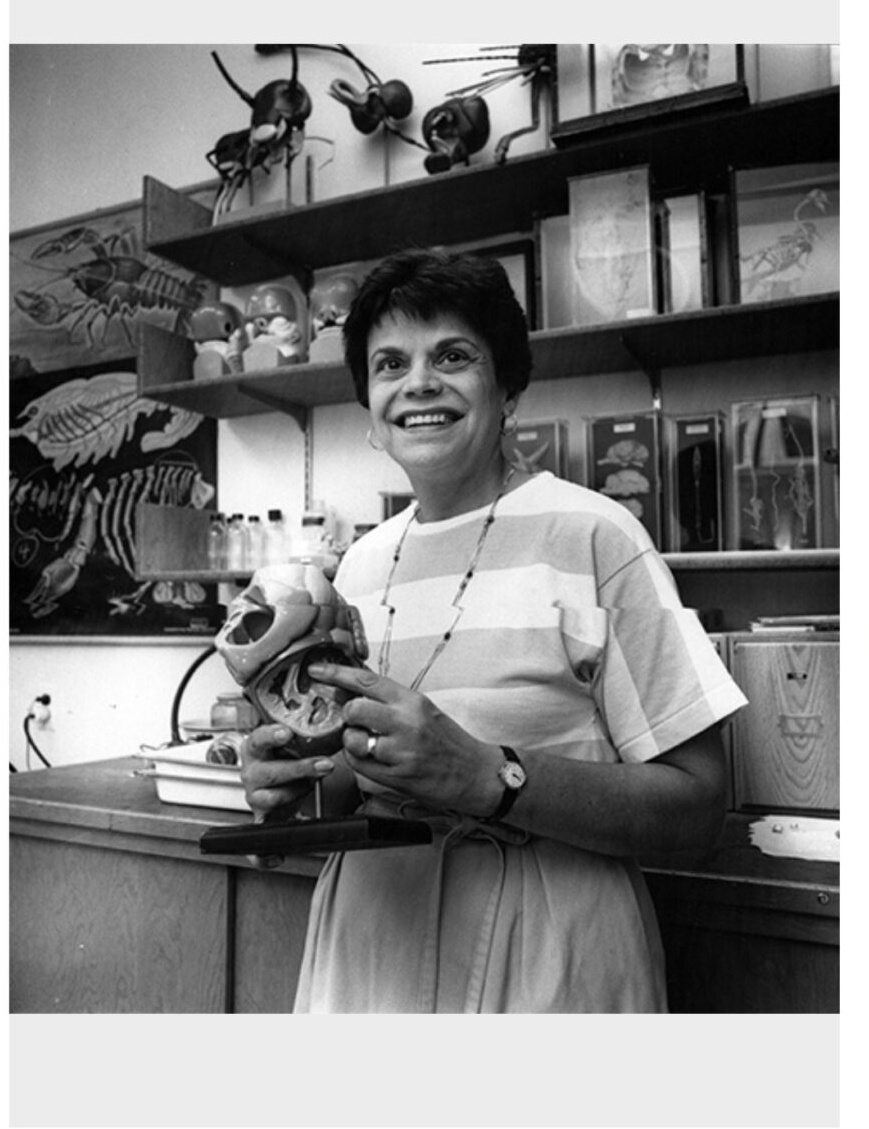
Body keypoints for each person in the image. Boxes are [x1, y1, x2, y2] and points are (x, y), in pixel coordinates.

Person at [236, 249, 743, 1012]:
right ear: (370, 407)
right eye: (389, 364)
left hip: (547, 960)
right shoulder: (358, 567)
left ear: (508, 387)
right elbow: (352, 784)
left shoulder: (595, 535)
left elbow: (699, 809)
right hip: (370, 953)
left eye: (453, 355)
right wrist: (290, 789)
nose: (419, 384)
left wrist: (491, 776)